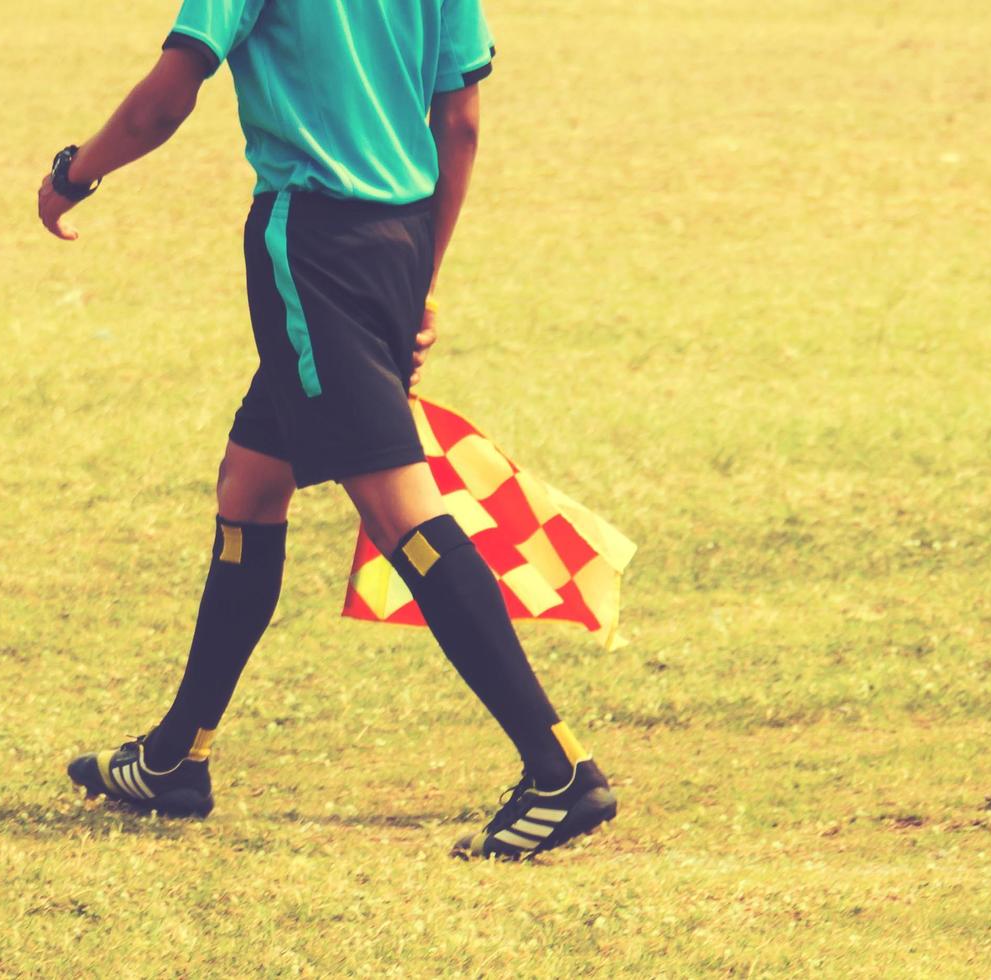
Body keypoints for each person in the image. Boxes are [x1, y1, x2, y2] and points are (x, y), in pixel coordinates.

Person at [37, 0, 617, 859]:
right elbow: (459, 125)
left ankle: (559, 773)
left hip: (310, 246)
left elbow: (167, 97)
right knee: (252, 482)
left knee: (396, 508)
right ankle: (175, 759)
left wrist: (73, 173)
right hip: (397, 239)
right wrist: (420, 275)